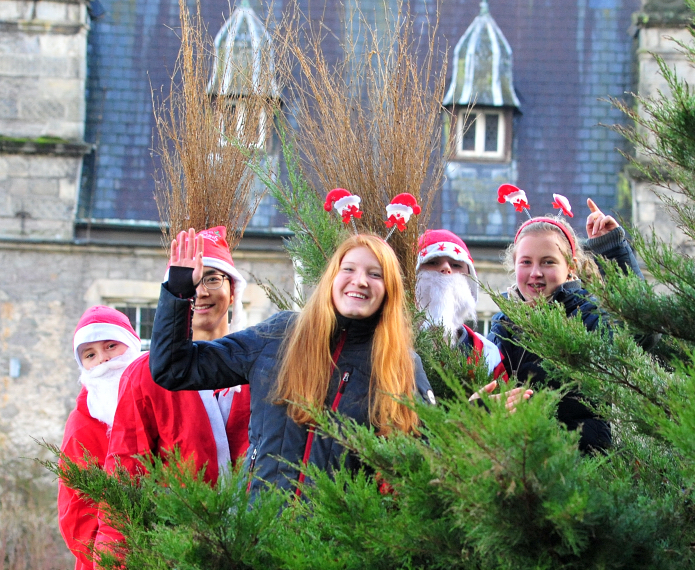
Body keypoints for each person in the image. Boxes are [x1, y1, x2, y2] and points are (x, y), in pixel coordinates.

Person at [149, 231, 433, 495]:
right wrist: (178, 292)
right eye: (349, 269)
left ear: (389, 291)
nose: (360, 281)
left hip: (340, 544)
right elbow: (174, 368)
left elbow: (427, 469)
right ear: (332, 278)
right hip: (259, 536)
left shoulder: (402, 366)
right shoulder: (278, 335)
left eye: (375, 274)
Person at [95, 226, 251, 570]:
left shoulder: (262, 366)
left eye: (213, 277)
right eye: (190, 279)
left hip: (258, 564)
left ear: (232, 289)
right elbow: (124, 482)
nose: (201, 290)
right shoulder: (145, 376)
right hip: (175, 566)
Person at [489, 198, 644, 452]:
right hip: (519, 463)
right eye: (526, 262)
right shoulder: (502, 324)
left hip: (582, 463)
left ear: (570, 267)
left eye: (548, 262)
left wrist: (613, 251)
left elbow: (639, 335)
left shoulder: (589, 314)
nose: (535, 272)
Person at [58, 306, 141, 570]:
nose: (104, 359)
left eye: (110, 346)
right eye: (90, 354)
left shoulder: (159, 401)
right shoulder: (81, 425)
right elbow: (76, 516)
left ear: (131, 345)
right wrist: (123, 562)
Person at [415, 229, 507, 381]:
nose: (446, 268)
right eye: (432, 262)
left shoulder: (488, 355)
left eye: (456, 264)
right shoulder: (388, 342)